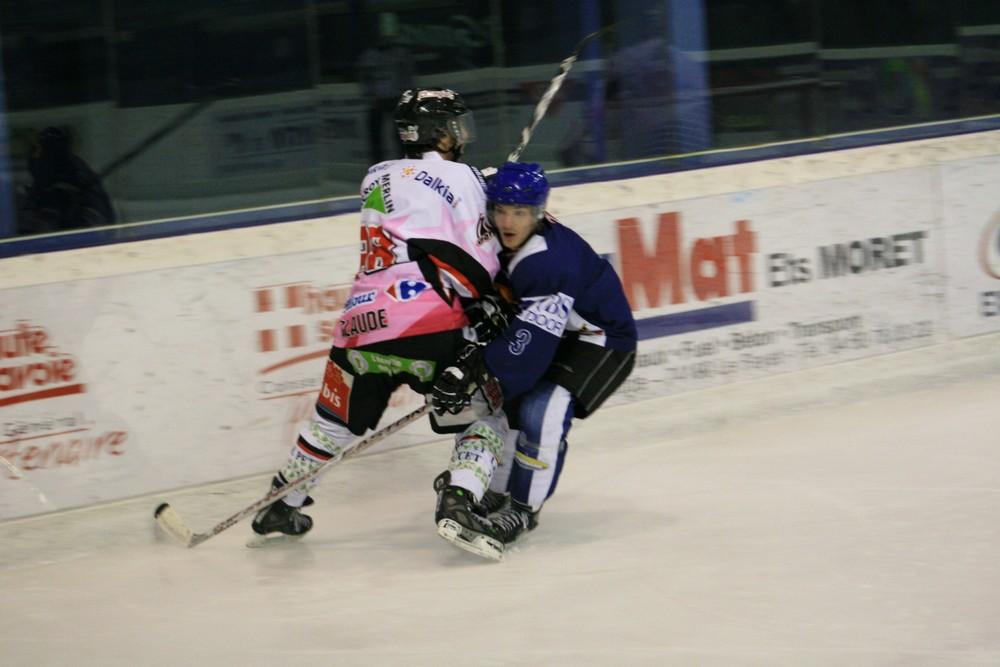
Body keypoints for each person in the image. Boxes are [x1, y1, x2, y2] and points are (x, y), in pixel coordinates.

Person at [250, 87, 505, 542]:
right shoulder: (463, 175)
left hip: (359, 326)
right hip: (429, 323)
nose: (461, 135)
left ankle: (281, 504)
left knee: (331, 424)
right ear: (438, 133)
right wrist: (484, 196)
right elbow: (478, 265)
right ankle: (458, 502)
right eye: (454, 127)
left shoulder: (375, 176)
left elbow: (416, 214)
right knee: (486, 418)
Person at [430, 162, 638, 560]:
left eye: (520, 212)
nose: (508, 222)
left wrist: (480, 366)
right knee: (506, 404)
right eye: (501, 210)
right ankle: (496, 491)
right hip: (556, 333)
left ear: (539, 213)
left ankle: (523, 511)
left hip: (600, 340)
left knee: (540, 411)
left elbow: (529, 347)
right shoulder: (500, 233)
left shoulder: (546, 262)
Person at [18, 126, 115, 234]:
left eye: (36, 150)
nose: (32, 156)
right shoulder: (45, 184)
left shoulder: (73, 183)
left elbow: (98, 229)